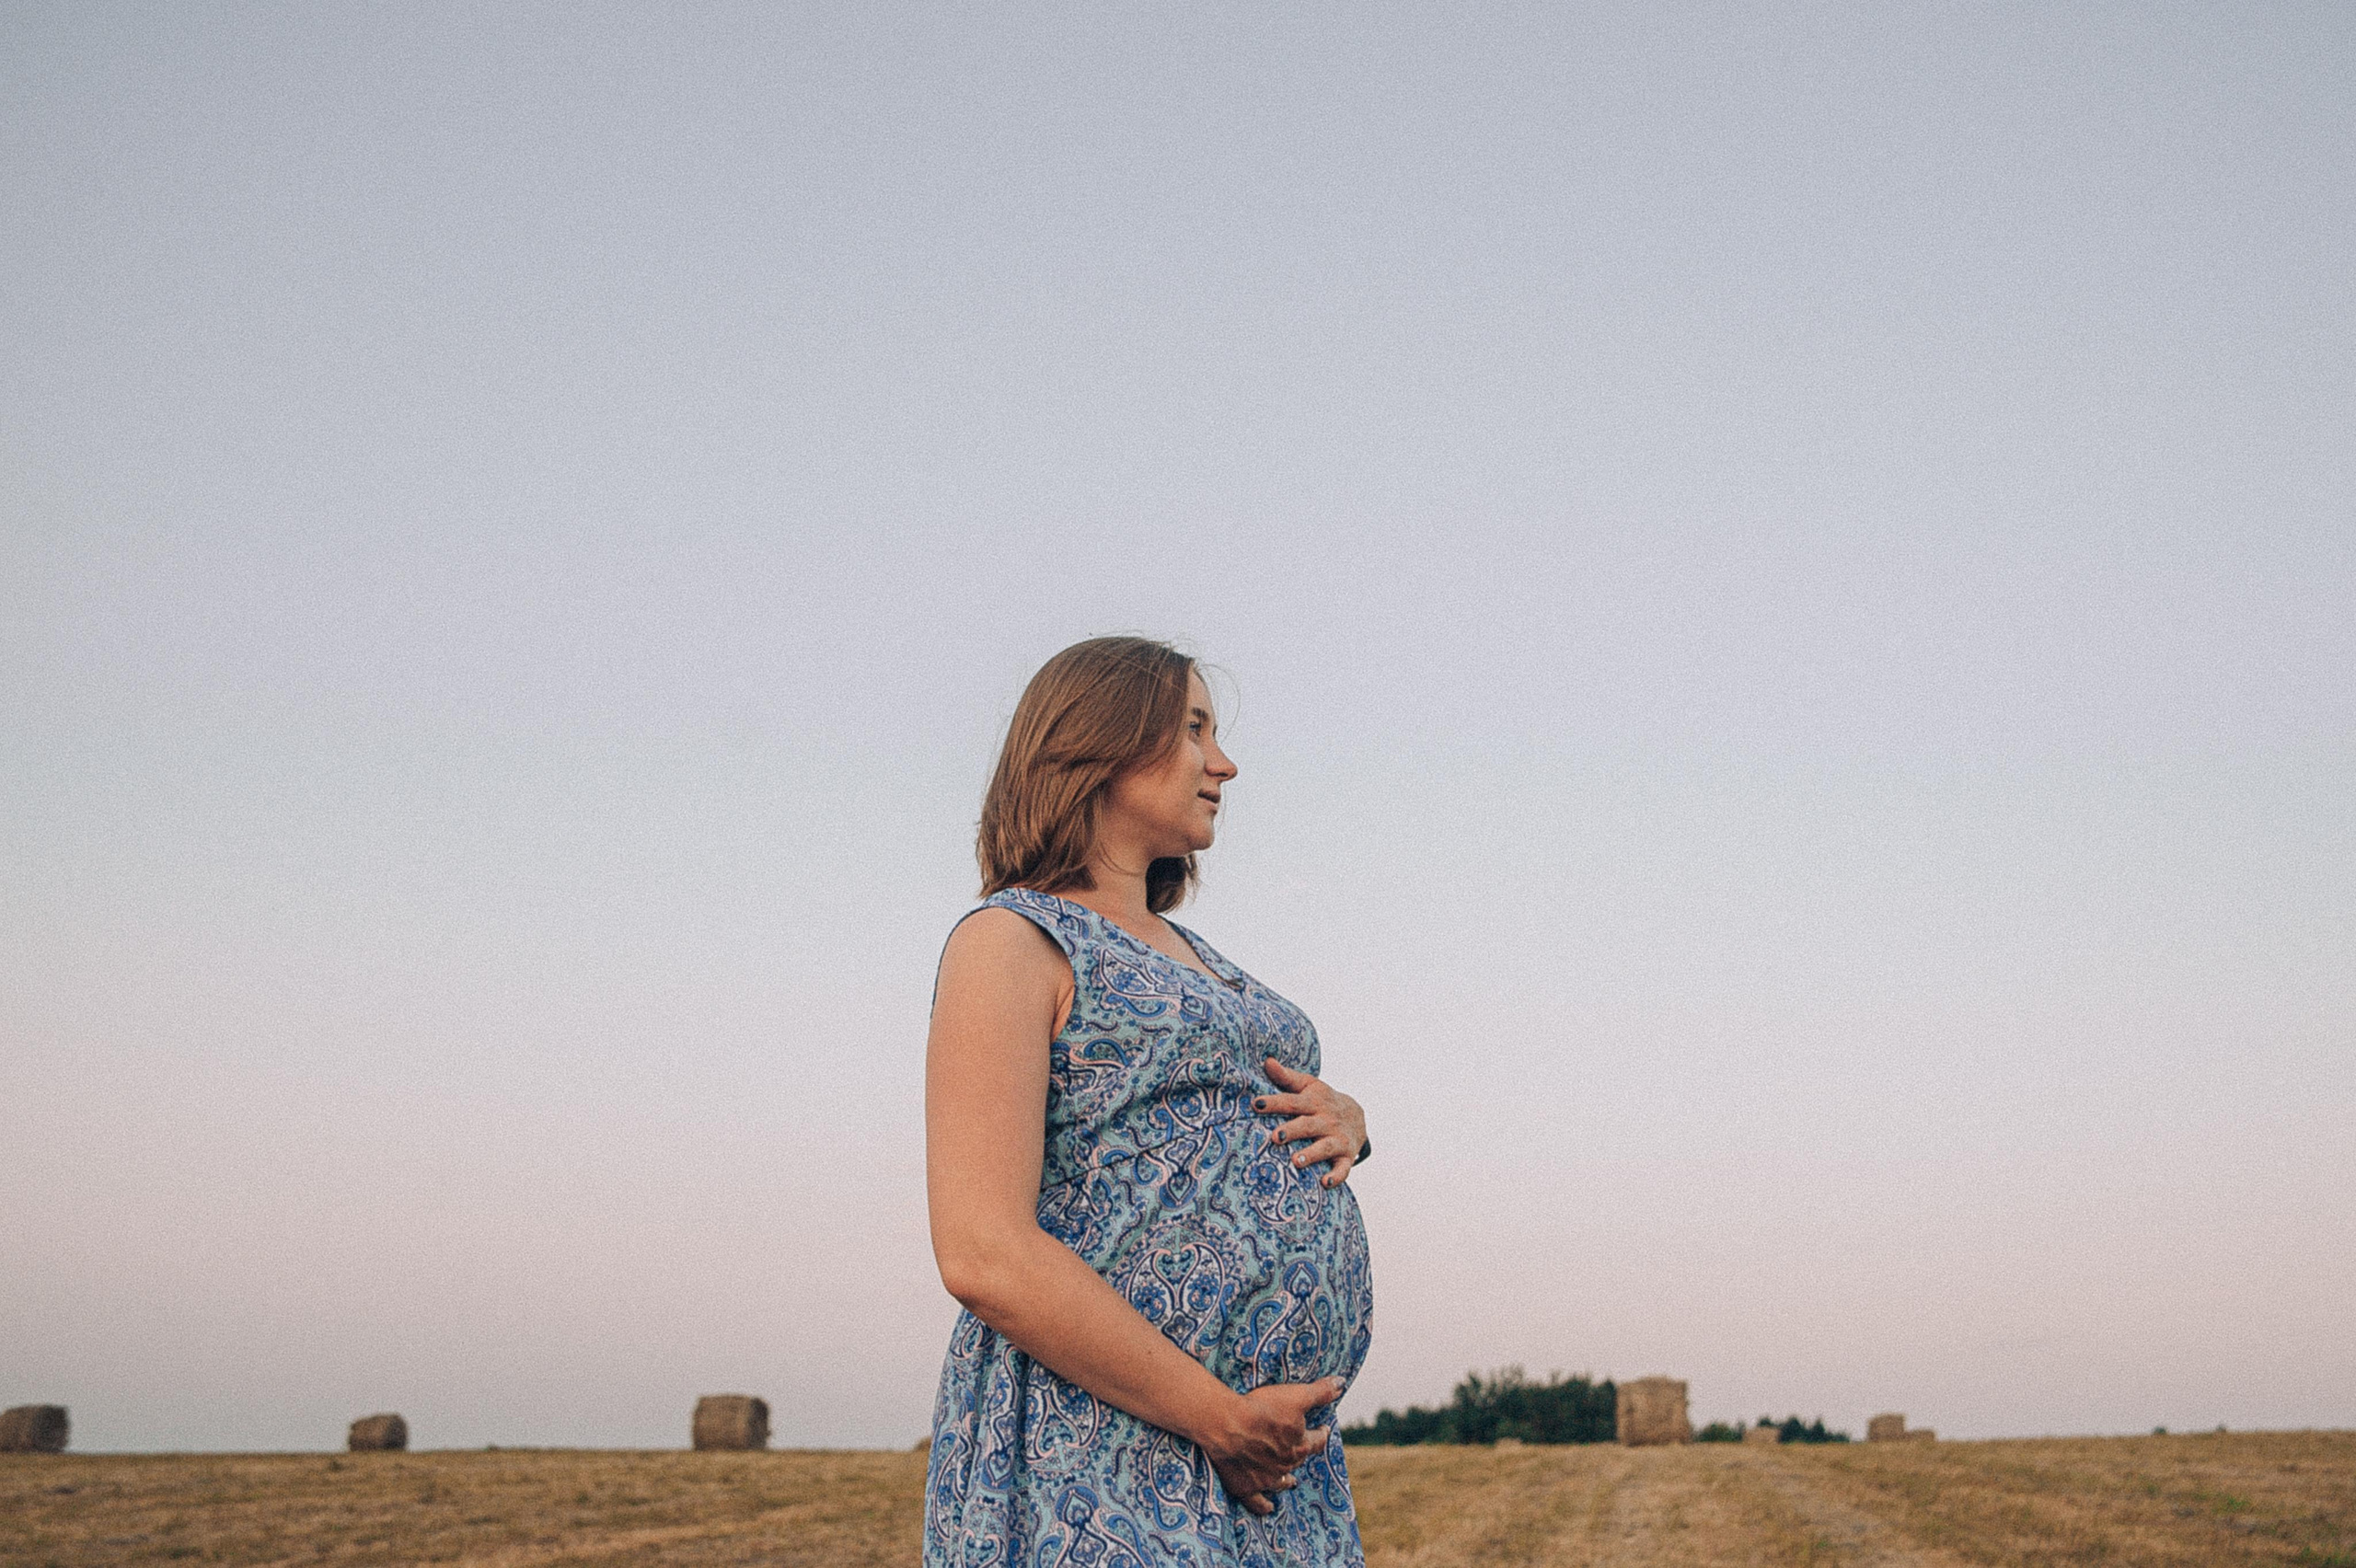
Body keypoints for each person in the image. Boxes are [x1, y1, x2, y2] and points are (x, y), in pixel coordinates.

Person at [923, 636, 1376, 1568]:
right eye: (1193, 730)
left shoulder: (1200, 956)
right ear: (1097, 743)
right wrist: (1216, 1416)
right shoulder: (1011, 941)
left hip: (1265, 1466)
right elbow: (982, 1250)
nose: (1224, 763)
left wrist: (1348, 1124)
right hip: (1104, 1449)